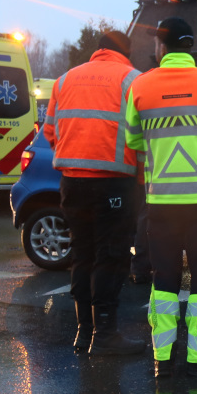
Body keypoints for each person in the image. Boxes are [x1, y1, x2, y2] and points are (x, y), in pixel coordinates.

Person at [125, 17, 197, 378]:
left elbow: (131, 141)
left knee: (164, 279)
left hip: (161, 203)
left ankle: (163, 356)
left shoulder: (141, 87)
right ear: (191, 46)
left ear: (161, 47)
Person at [44, 30, 147, 356]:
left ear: (98, 50)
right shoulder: (133, 80)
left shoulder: (63, 81)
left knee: (82, 253)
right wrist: (141, 178)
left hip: (73, 183)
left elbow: (50, 131)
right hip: (114, 184)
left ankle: (83, 332)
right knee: (111, 255)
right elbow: (142, 138)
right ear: (125, 51)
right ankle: (105, 335)